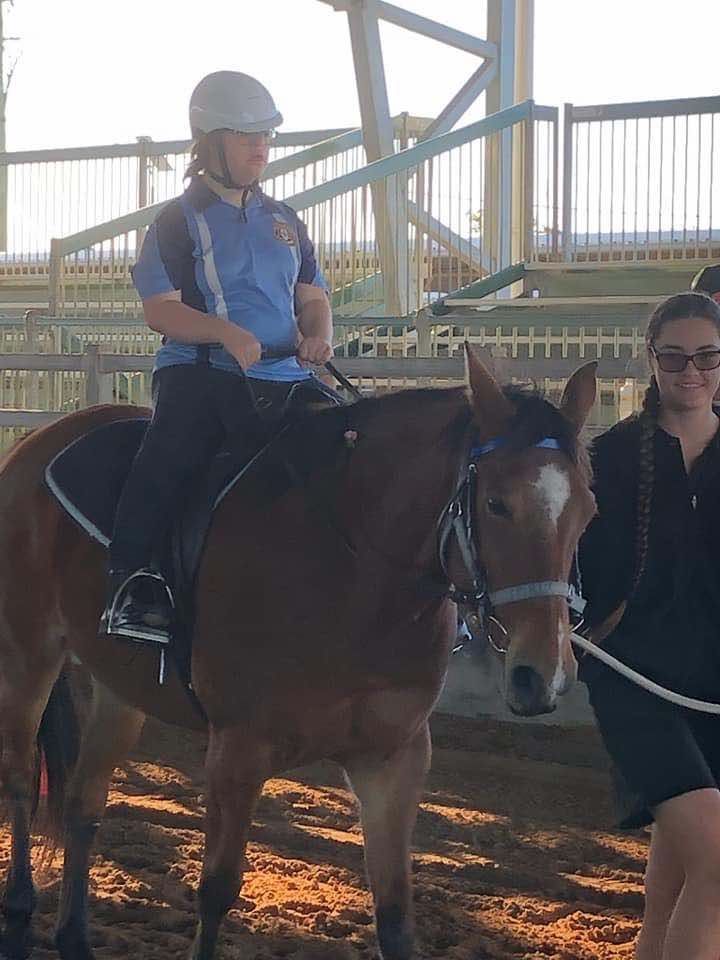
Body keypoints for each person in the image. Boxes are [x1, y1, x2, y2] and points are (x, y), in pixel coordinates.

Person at [102, 71, 334, 644]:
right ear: (209, 142)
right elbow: (161, 310)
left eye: (266, 136)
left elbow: (312, 295)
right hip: (198, 373)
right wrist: (223, 333)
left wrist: (318, 334)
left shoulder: (285, 219)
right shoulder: (175, 222)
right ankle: (133, 582)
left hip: (285, 372)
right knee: (168, 459)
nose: (261, 147)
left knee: (354, 446)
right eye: (245, 134)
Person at [579, 292, 720, 960]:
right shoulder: (607, 458)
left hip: (714, 685)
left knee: (687, 868)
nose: (691, 371)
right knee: (718, 868)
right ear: (653, 360)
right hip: (633, 679)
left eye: (707, 356)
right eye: (674, 357)